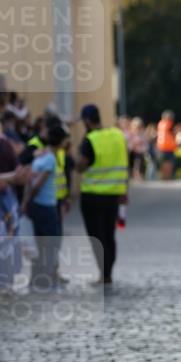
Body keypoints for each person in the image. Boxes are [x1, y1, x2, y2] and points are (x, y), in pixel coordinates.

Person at [76, 103, 129, 287]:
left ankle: (103, 275)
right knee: (109, 235)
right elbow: (125, 164)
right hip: (114, 195)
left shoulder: (90, 139)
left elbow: (81, 165)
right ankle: (108, 273)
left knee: (97, 236)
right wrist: (125, 191)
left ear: (87, 121)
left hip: (92, 195)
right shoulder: (117, 135)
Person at [21, 125, 68, 289]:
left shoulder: (41, 155)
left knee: (39, 244)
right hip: (46, 206)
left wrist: (26, 202)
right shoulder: (50, 159)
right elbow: (37, 184)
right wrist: (27, 201)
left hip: (37, 205)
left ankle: (37, 278)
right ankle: (46, 278)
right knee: (50, 244)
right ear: (61, 141)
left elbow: (30, 180)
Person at [157, 110, 177, 180]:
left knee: (163, 163)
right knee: (169, 163)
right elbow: (174, 133)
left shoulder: (160, 124)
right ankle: (168, 177)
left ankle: (163, 177)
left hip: (161, 147)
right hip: (169, 147)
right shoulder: (169, 124)